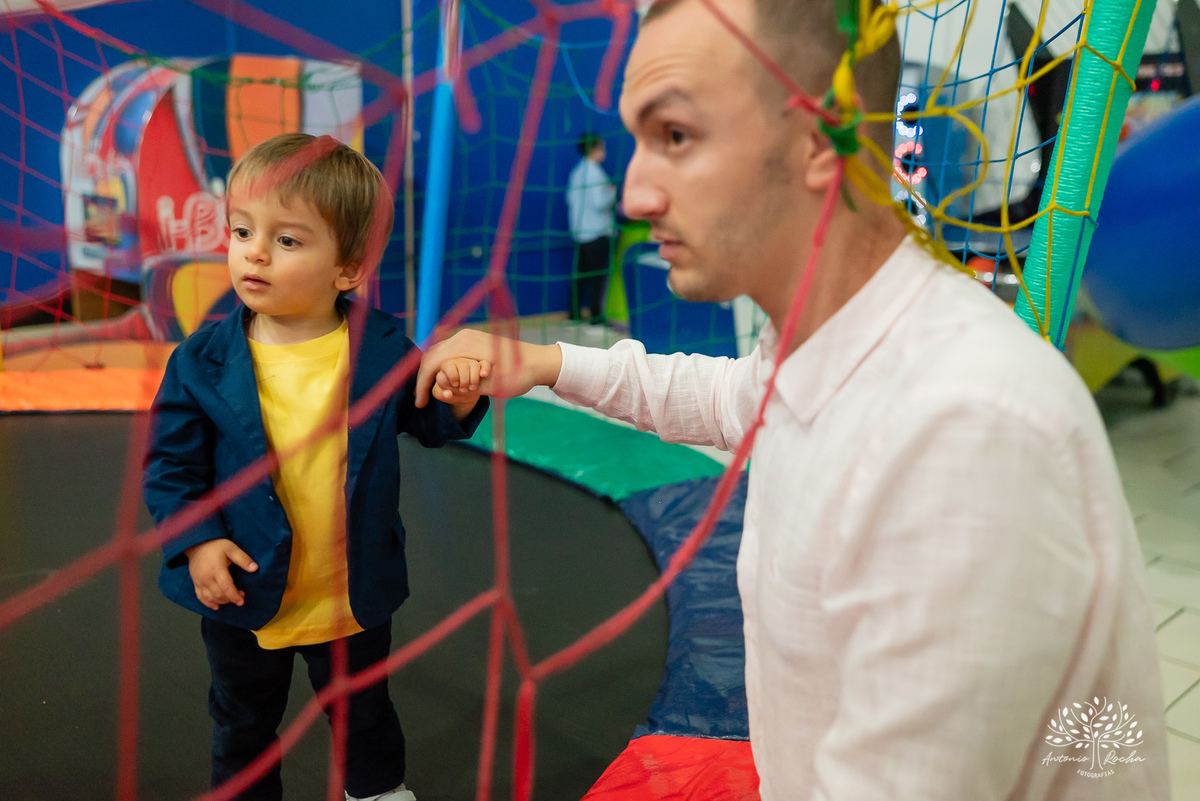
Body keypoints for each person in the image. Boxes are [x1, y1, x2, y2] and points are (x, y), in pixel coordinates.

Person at [417, 1, 1170, 799]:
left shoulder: (962, 432)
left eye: (676, 136)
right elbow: (722, 394)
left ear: (821, 139)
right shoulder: (831, 342)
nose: (636, 193)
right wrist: (544, 361)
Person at [143, 133, 489, 801]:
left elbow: (432, 424)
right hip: (247, 591)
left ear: (349, 269)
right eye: (243, 229)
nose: (255, 251)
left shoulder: (385, 347)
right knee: (243, 720)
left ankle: (377, 789)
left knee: (364, 713)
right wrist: (196, 539)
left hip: (350, 589)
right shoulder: (201, 360)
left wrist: (458, 391)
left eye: (289, 240)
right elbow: (170, 468)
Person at [565, 133, 617, 323]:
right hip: (597, 232)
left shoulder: (576, 172)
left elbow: (570, 201)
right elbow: (599, 203)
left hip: (580, 232)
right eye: (602, 147)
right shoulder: (595, 172)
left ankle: (574, 315)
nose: (604, 152)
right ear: (594, 149)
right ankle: (596, 316)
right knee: (597, 277)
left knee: (581, 276)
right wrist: (612, 193)